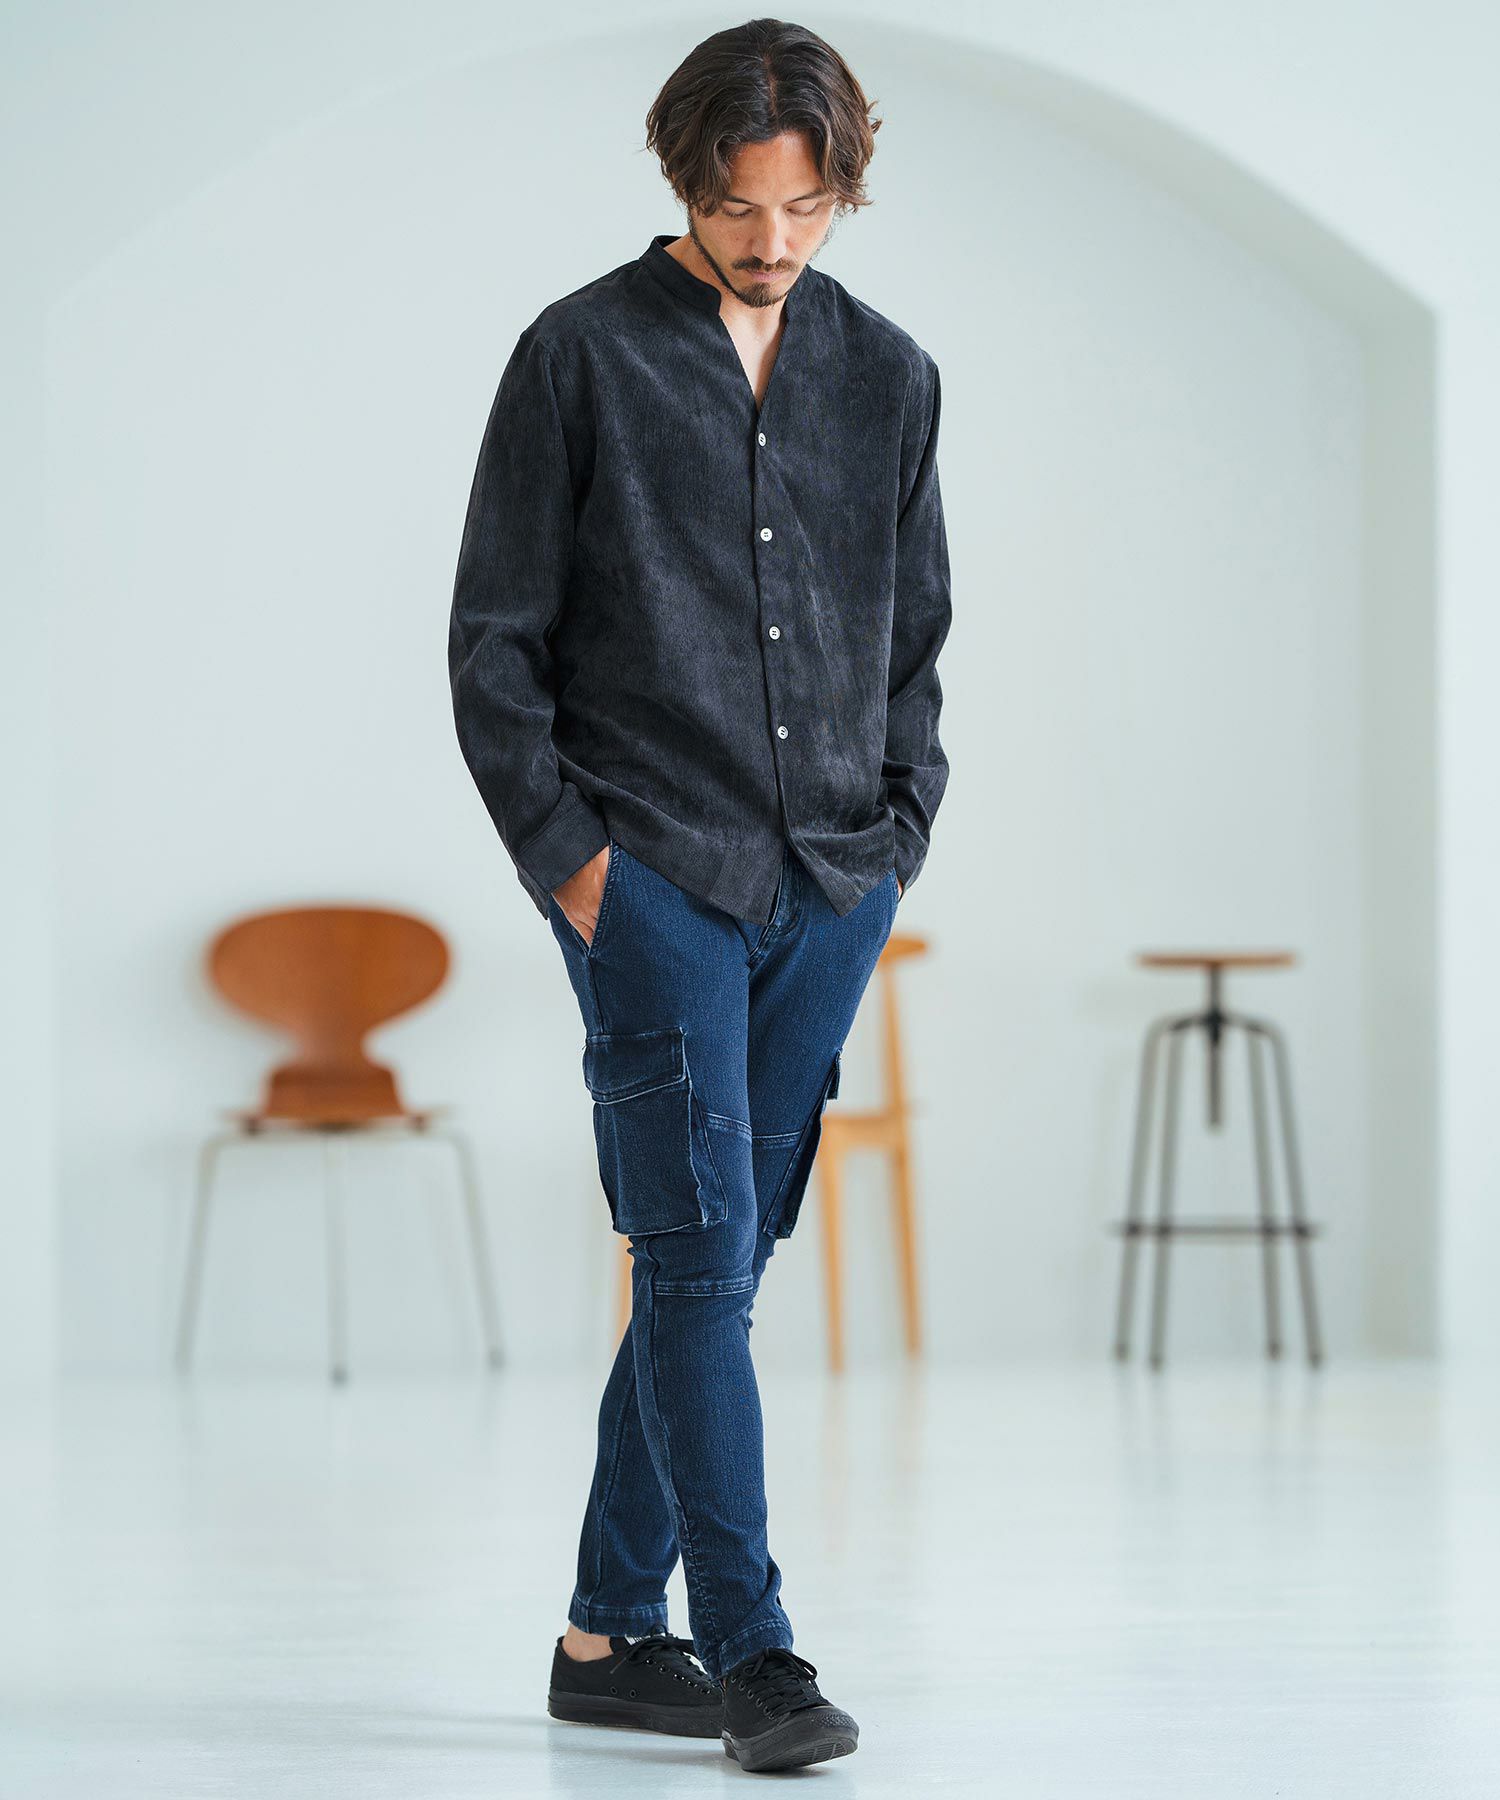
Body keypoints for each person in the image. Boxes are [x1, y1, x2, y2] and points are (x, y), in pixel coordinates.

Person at [447, 17, 951, 1775]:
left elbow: (916, 639)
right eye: (742, 207)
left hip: (833, 878)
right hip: (652, 877)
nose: (773, 240)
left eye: (807, 207)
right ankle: (755, 1654)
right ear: (686, 180)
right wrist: (578, 870)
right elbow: (494, 644)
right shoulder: (577, 355)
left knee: (714, 1262)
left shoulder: (890, 375)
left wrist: (897, 837)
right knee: (693, 1251)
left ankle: (606, 1635)